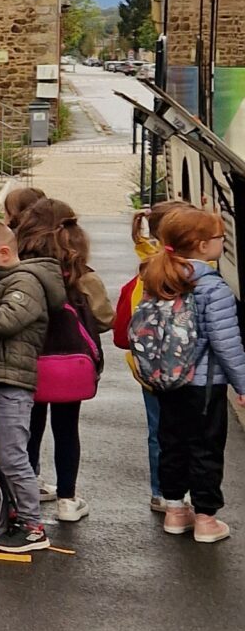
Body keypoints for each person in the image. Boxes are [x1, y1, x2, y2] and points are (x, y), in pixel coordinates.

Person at [0, 216, 65, 555]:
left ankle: (33, 526)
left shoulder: (25, 281)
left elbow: (9, 319)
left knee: (13, 457)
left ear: (4, 252)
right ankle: (0, 516)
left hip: (14, 384)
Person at [144, 205, 245, 542]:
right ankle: (205, 519)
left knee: (172, 443)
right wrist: (242, 384)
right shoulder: (213, 288)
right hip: (204, 384)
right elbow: (226, 343)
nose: (223, 242)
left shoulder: (159, 277)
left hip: (167, 380)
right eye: (220, 237)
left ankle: (175, 512)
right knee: (205, 449)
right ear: (202, 245)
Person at [18, 197, 113, 523]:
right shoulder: (83, 277)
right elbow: (105, 319)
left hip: (29, 362)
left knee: (29, 429)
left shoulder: (22, 272)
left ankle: (27, 490)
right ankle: (68, 500)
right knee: (67, 429)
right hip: (70, 367)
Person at [115, 204, 171, 511]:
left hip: (147, 369)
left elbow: (126, 332)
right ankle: (181, 491)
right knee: (186, 432)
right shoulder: (186, 274)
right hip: (184, 369)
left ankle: (160, 491)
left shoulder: (145, 270)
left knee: (157, 431)